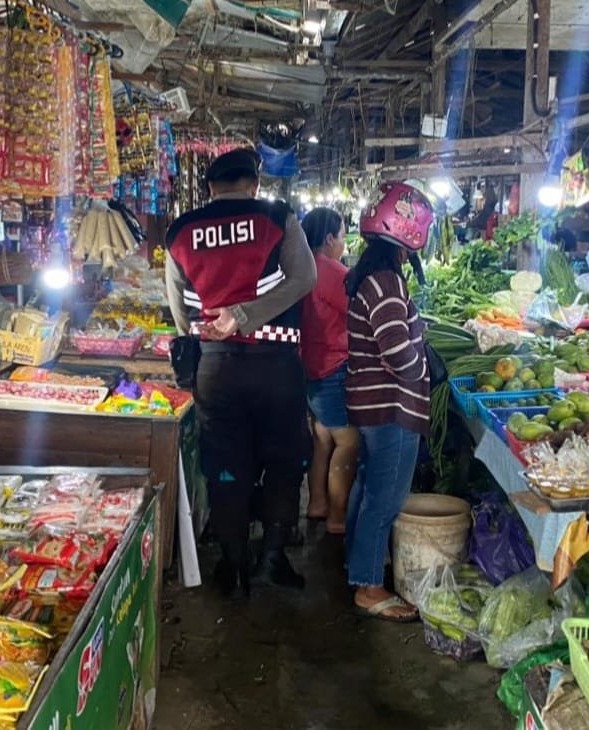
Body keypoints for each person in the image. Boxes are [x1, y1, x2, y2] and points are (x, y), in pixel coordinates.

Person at [164, 149, 317, 599]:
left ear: (210, 189)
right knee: (284, 460)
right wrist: (248, 314)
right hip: (277, 369)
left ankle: (232, 566)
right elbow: (304, 278)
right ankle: (271, 558)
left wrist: (215, 329)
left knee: (225, 465)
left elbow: (178, 309)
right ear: (253, 184)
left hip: (216, 367)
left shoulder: (180, 231)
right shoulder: (276, 217)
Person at [344, 182, 434, 623]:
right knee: (385, 499)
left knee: (368, 490)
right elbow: (397, 352)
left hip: (375, 406)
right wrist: (421, 371)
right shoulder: (385, 283)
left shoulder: (373, 277)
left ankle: (359, 567)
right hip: (392, 410)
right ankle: (368, 588)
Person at [300, 208, 359, 535]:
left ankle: (317, 503)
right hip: (333, 366)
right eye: (343, 234)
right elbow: (357, 314)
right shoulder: (332, 271)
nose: (344, 242)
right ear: (329, 238)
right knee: (347, 442)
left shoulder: (301, 267)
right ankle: (338, 518)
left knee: (323, 440)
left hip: (310, 365)